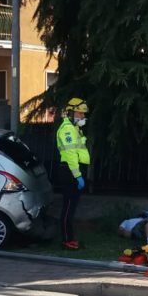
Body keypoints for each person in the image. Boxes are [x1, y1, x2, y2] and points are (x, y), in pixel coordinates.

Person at [54, 98, 91, 250]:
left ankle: (70, 238)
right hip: (70, 171)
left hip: (73, 171)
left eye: (83, 114)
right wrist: (78, 176)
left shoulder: (74, 128)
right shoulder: (67, 129)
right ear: (71, 113)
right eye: (80, 113)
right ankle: (66, 240)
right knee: (68, 207)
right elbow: (71, 155)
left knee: (71, 206)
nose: (83, 116)